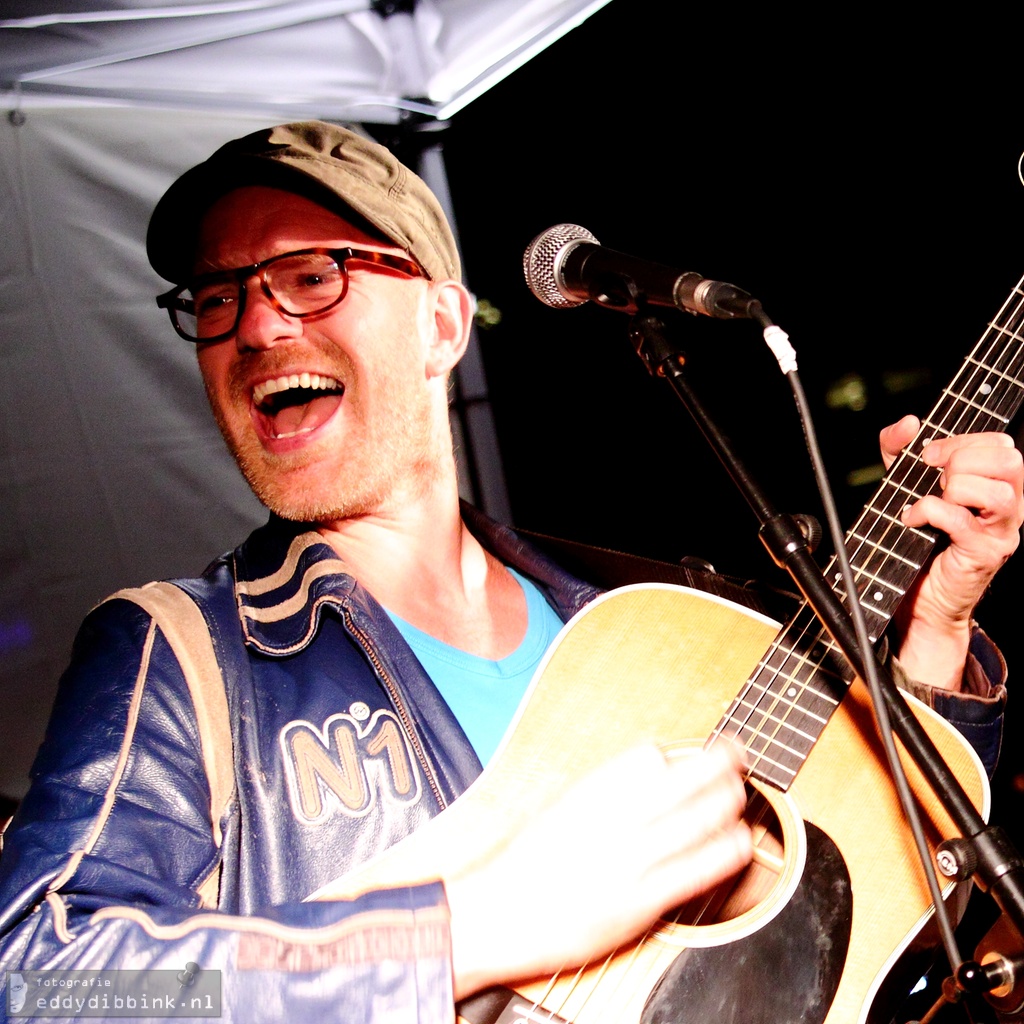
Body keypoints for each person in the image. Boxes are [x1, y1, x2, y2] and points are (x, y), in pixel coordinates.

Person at [0, 120, 1021, 1021]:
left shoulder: (644, 623)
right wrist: (469, 925)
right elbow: (48, 978)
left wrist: (933, 624)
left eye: (313, 275)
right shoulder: (182, 650)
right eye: (217, 296)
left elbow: (899, 907)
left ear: (444, 324)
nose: (257, 323)